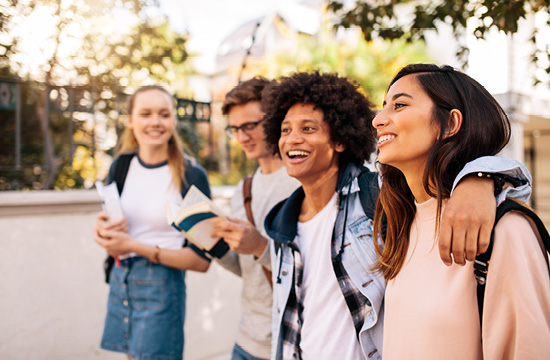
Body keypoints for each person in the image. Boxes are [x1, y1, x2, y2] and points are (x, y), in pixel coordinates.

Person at [261, 71, 532, 359]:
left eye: (308, 129)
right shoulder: (281, 223)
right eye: (285, 130)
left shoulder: (377, 198)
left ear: (340, 140)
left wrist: (480, 177)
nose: (292, 140)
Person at [372, 64, 550, 359]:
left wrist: (483, 177)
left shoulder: (504, 229)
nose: (378, 119)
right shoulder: (401, 223)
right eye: (383, 107)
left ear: (450, 123)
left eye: (399, 105)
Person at [93, 85, 211, 360]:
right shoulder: (120, 167)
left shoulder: (191, 176)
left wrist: (134, 245)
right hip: (121, 278)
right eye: (145, 114)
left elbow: (201, 260)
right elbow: (112, 229)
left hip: (163, 284)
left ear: (173, 120)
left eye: (164, 114)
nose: (155, 122)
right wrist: (103, 232)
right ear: (131, 120)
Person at [210, 77, 301, 360]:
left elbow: (318, 270)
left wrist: (260, 246)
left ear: (275, 118)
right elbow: (248, 270)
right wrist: (212, 244)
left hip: (292, 342)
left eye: (250, 125)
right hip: (247, 340)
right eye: (235, 129)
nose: (242, 137)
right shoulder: (243, 189)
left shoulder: (303, 181)